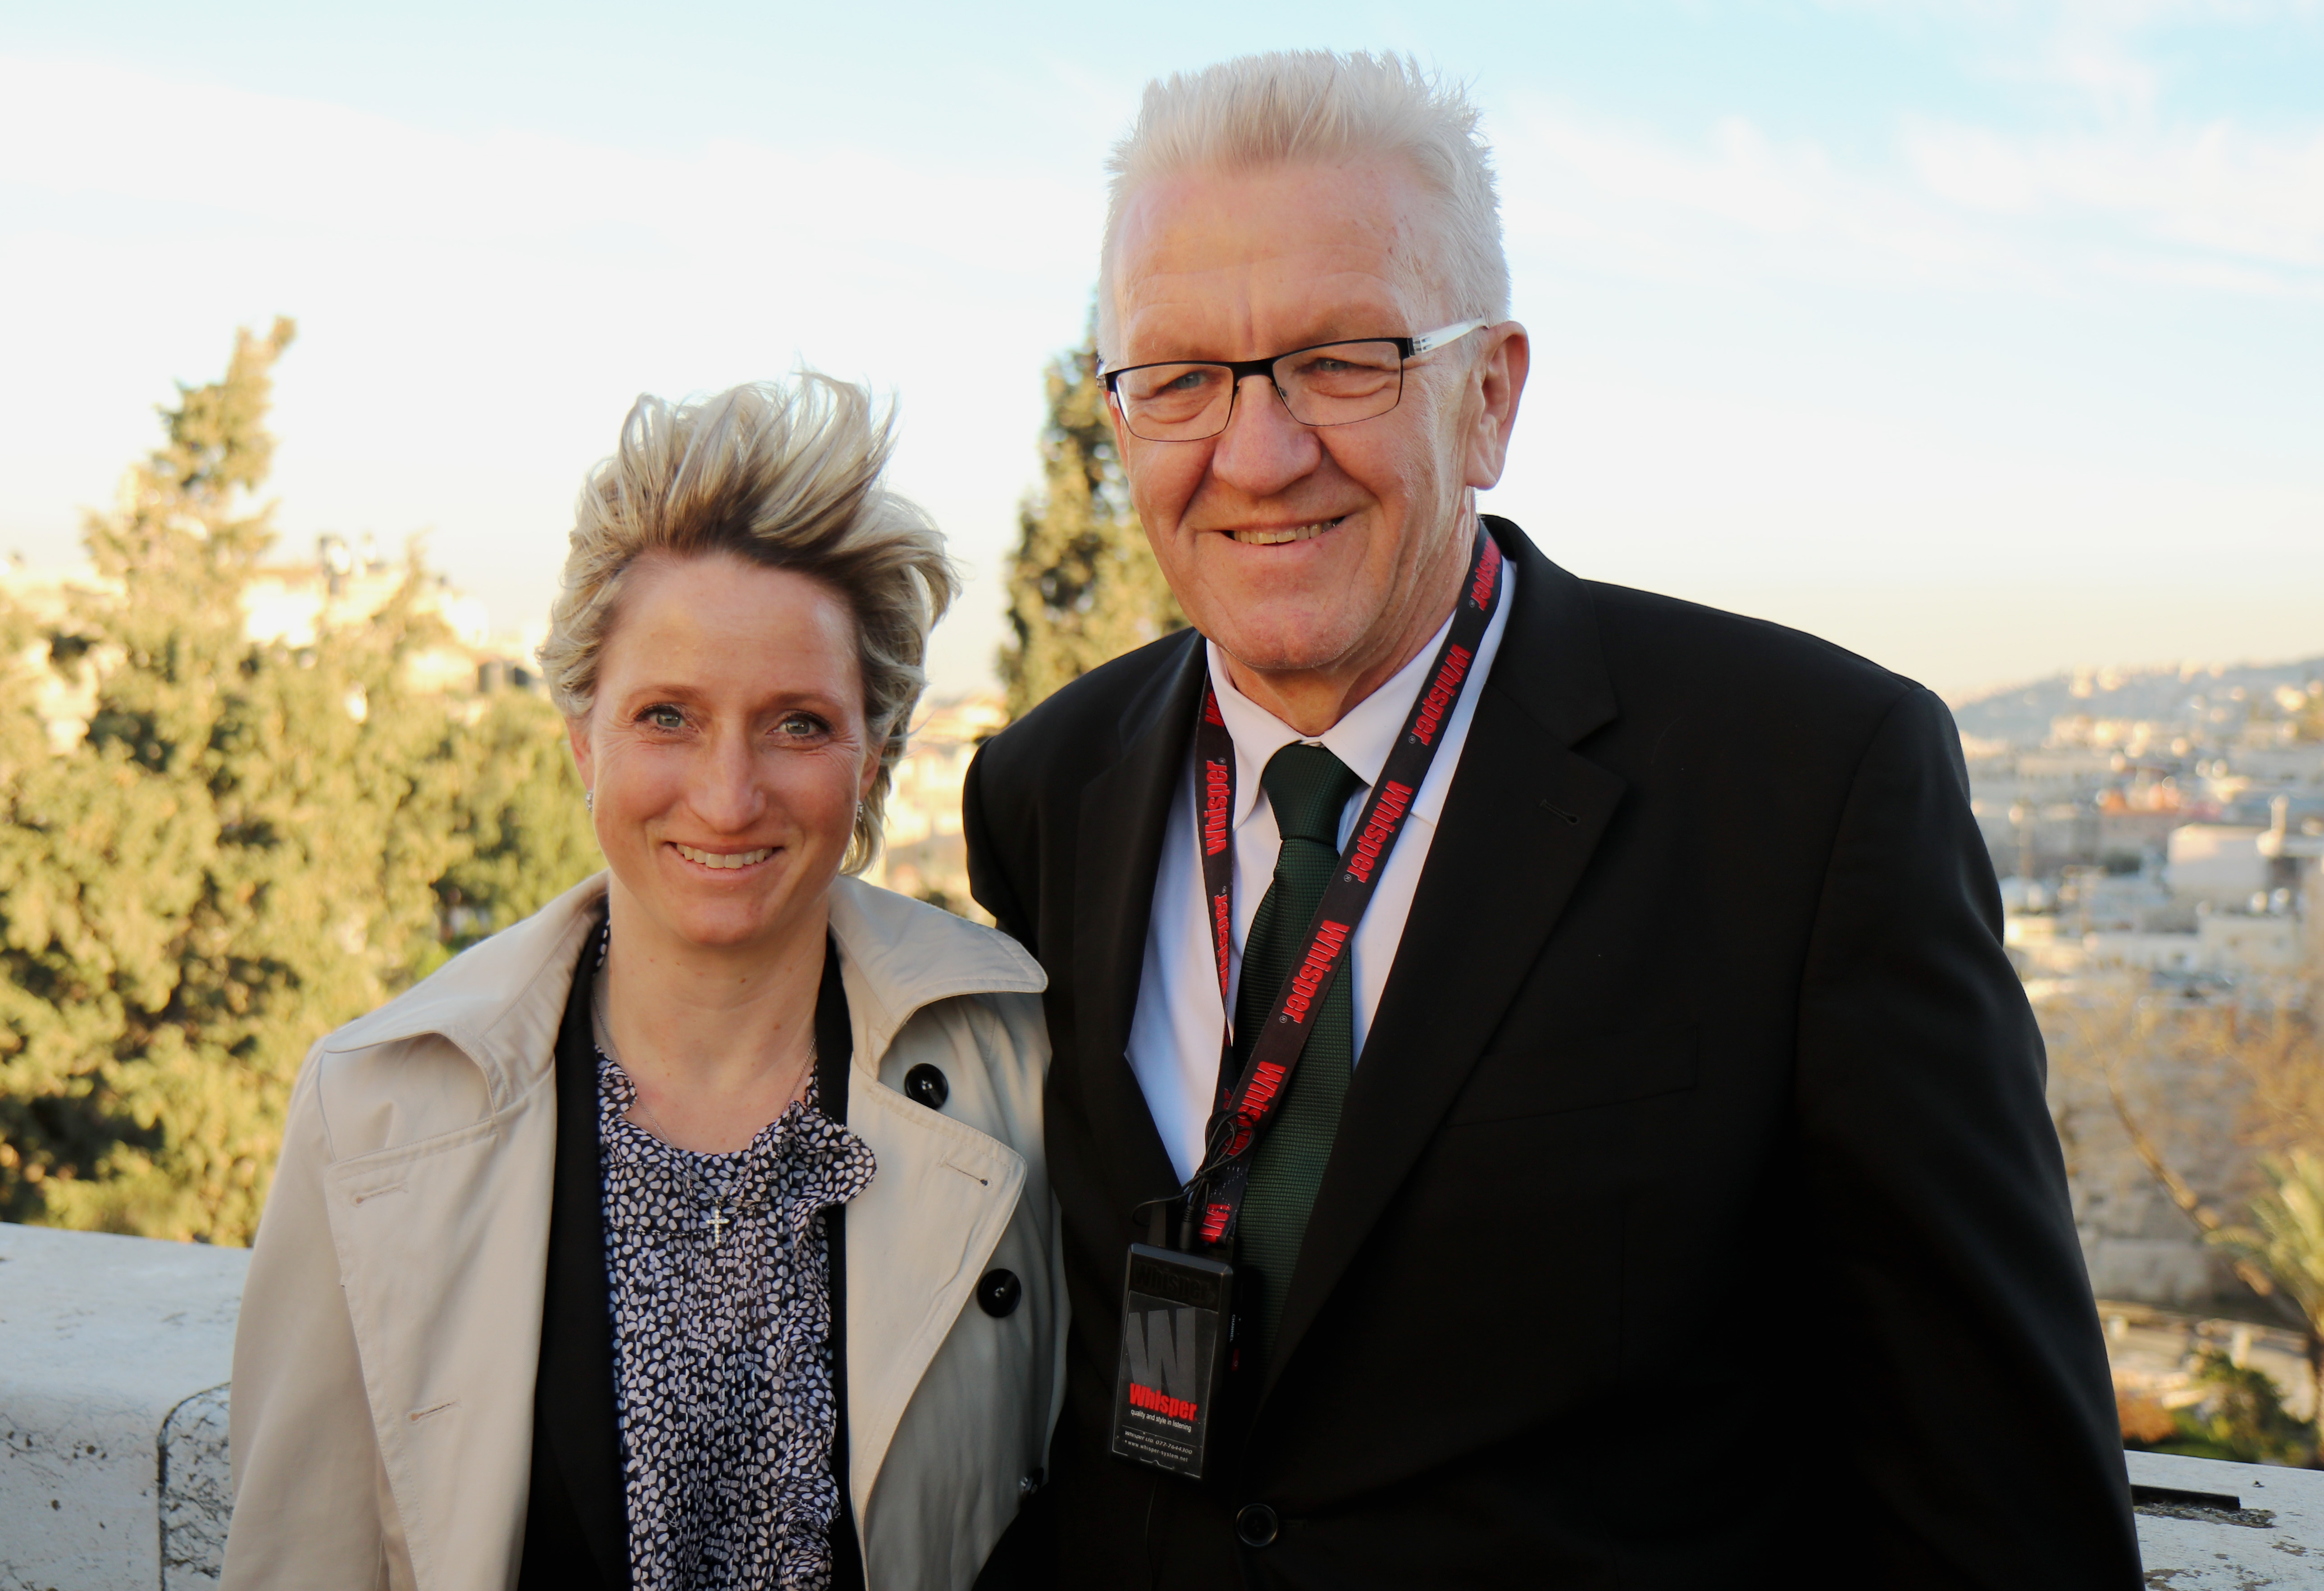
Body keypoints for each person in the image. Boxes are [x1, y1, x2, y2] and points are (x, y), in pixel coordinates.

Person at [964, 51, 2139, 1588]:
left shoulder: (1810, 791)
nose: (1256, 451)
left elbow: (2004, 1507)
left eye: (1343, 360)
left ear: (1491, 395)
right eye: (1180, 377)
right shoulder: (1047, 790)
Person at [223, 374, 1063, 1591]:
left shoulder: (1025, 1075)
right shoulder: (375, 1108)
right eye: (668, 716)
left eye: (797, 723)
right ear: (583, 737)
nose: (728, 796)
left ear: (874, 756)